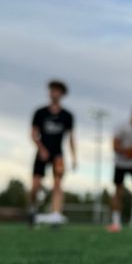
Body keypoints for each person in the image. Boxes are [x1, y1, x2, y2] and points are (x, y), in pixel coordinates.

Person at [29, 79, 77, 226]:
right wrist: (41, 149)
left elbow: (71, 138)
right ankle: (32, 209)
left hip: (58, 154)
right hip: (42, 152)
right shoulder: (40, 112)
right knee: (35, 186)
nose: (54, 93)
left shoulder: (67, 115)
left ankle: (56, 214)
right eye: (52, 90)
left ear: (62, 94)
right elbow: (33, 134)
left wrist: (74, 157)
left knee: (58, 184)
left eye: (57, 90)